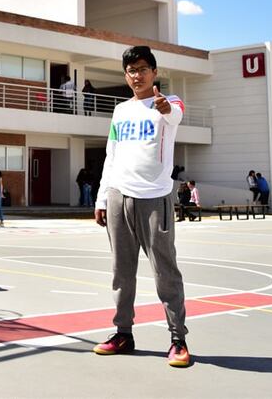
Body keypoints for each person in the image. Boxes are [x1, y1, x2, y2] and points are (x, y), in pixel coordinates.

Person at [94, 45, 191, 368]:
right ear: (126, 75)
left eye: (142, 69)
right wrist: (102, 197)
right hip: (119, 196)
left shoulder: (169, 102)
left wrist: (164, 107)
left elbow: (175, 114)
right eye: (131, 70)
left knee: (165, 271)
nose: (137, 75)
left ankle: (178, 339)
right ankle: (123, 333)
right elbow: (112, 154)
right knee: (121, 271)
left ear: (154, 72)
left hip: (155, 198)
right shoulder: (120, 111)